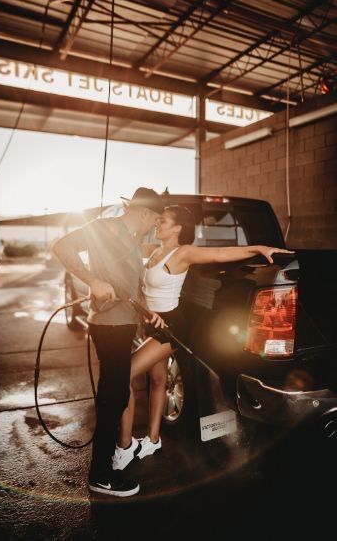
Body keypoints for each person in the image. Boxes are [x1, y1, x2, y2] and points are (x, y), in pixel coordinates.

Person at [114, 204, 293, 470]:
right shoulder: (152, 251)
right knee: (157, 380)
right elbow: (124, 258)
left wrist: (258, 248)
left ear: (177, 228)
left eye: (163, 221)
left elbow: (220, 254)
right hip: (152, 324)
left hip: (171, 327)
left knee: (122, 374)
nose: (157, 224)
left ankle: (124, 447)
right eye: (158, 220)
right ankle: (152, 439)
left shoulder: (182, 253)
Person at [51, 187, 167, 498]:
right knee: (113, 398)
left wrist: (147, 310)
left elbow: (131, 285)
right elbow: (61, 246)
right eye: (155, 220)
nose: (155, 227)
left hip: (124, 324)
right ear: (144, 213)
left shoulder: (130, 240)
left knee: (114, 395)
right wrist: (93, 281)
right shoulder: (106, 228)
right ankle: (100, 475)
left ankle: (103, 470)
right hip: (109, 326)